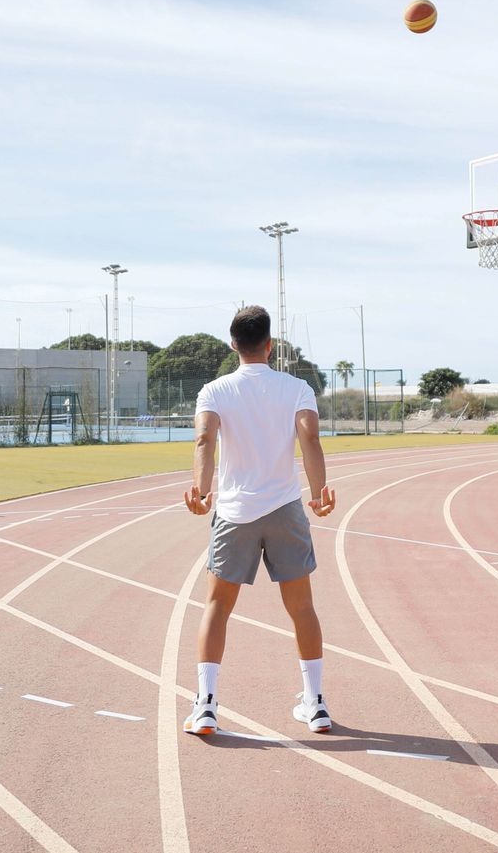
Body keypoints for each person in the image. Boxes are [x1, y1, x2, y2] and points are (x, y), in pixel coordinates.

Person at [181, 305, 337, 736]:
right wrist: (320, 494)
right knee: (302, 607)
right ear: (270, 345)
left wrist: (201, 490)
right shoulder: (297, 388)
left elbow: (204, 439)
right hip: (285, 507)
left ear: (234, 345)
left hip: (234, 511)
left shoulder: (214, 391)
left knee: (217, 607)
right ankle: (316, 704)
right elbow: (310, 436)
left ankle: (206, 706)